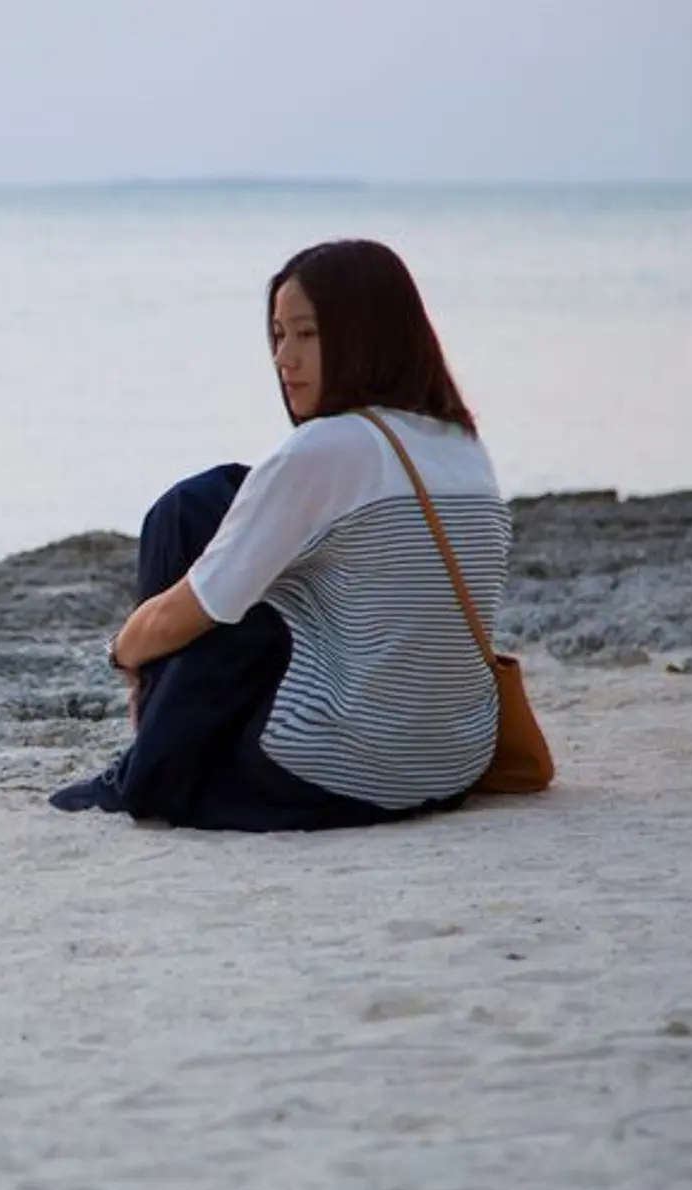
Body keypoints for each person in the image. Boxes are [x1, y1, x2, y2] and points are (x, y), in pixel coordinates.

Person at [49, 238, 512, 832]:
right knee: (209, 500)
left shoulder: (326, 449)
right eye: (278, 335)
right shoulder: (465, 446)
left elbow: (177, 619)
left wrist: (121, 653)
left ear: (365, 336)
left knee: (205, 565)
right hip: (452, 765)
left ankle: (144, 772)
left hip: (335, 775)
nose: (284, 358)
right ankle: (154, 756)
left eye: (308, 335)